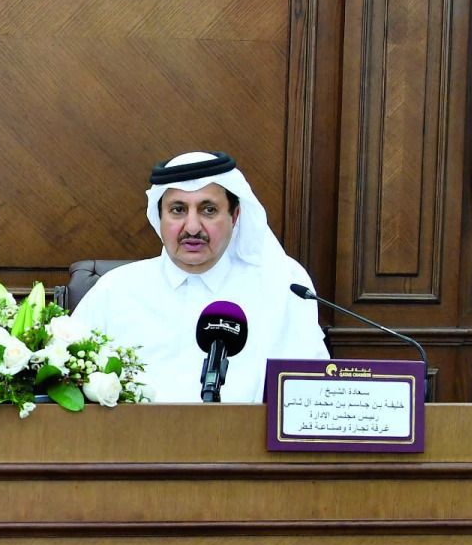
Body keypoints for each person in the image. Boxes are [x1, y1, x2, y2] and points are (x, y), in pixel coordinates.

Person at [72, 151, 328, 402]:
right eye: (178, 210)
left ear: (234, 216)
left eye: (208, 210)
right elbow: (68, 376)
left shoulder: (281, 284)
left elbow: (310, 394)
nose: (192, 227)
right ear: (159, 215)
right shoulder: (117, 289)